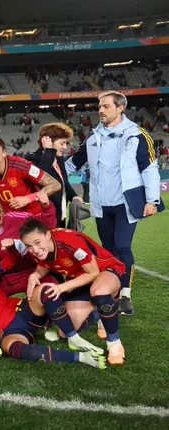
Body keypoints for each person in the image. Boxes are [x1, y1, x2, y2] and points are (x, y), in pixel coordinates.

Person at [65, 91, 162, 316]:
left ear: (120, 108)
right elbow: (73, 164)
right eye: (99, 106)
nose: (100, 110)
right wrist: (49, 169)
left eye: (106, 106)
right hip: (101, 204)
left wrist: (152, 200)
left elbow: (149, 168)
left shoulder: (137, 135)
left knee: (122, 247)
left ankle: (125, 295)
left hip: (125, 203)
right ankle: (111, 291)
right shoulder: (93, 137)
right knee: (107, 250)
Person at [13, 219, 127, 365]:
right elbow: (45, 264)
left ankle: (114, 343)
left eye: (37, 243)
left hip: (105, 270)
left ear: (48, 235)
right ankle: (100, 313)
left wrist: (61, 288)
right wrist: (35, 275)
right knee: (64, 333)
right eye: (29, 246)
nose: (34, 249)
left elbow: (93, 273)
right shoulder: (39, 249)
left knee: (99, 291)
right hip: (81, 279)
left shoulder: (69, 242)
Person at [0, 187, 55, 296]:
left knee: (50, 289)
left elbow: (45, 226)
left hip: (27, 272)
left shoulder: (11, 217)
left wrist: (47, 207)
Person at [0, 130, 61, 228]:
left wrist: (28, 198)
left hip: (33, 221)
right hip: (9, 223)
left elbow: (55, 184)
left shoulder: (21, 166)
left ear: (4, 153)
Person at [25, 123, 81, 228]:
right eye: (62, 143)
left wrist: (74, 196)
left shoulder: (59, 159)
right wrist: (48, 151)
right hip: (44, 218)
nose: (65, 147)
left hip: (60, 215)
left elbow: (64, 183)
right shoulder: (31, 159)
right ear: (49, 141)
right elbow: (40, 182)